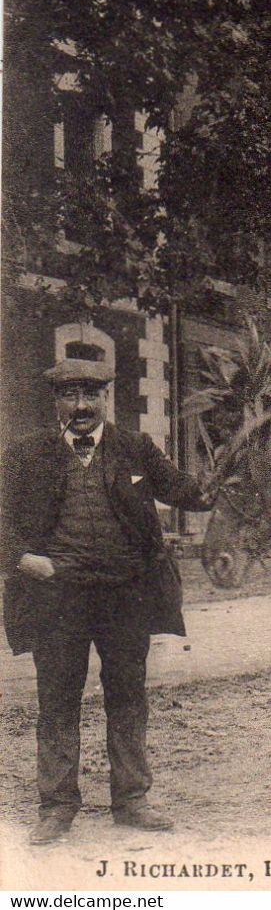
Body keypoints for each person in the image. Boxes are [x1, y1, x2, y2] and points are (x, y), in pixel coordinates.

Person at [2, 358, 214, 844]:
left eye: (90, 395)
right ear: (55, 401)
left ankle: (132, 800)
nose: (80, 406)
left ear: (105, 399)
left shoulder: (135, 448)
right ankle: (56, 806)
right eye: (70, 396)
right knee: (57, 701)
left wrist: (232, 474)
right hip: (57, 599)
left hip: (125, 596)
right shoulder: (24, 455)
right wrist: (22, 560)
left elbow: (186, 491)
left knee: (128, 695)